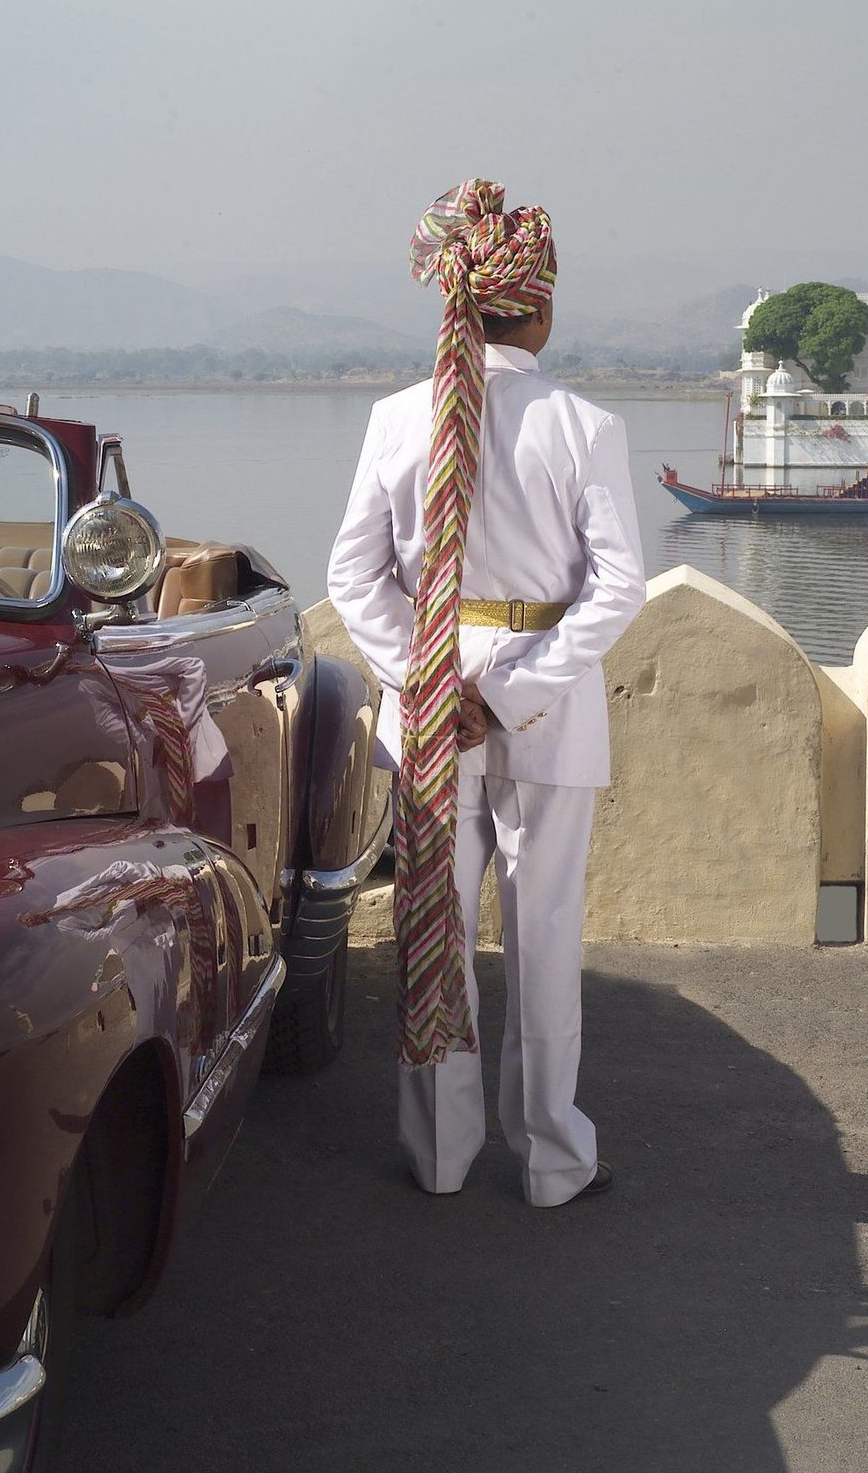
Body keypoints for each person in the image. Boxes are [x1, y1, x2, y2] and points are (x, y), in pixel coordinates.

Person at [327, 178, 646, 1206]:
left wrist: (425, 683)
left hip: (430, 706)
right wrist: (516, 690)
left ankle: (441, 1156)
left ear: (455, 303)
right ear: (540, 307)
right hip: (546, 705)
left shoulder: (394, 417)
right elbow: (618, 588)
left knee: (437, 926)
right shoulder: (582, 424)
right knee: (546, 937)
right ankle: (554, 1161)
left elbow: (352, 577)